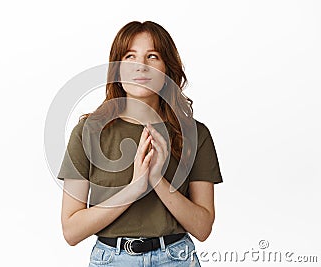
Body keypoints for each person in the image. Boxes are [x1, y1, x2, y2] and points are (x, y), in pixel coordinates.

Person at [57, 21, 223, 266]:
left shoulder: (195, 134)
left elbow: (202, 228)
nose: (141, 66)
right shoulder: (88, 132)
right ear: (117, 69)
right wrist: (134, 188)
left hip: (176, 258)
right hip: (111, 259)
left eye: (152, 56)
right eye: (130, 56)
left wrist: (157, 179)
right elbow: (71, 231)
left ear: (167, 68)